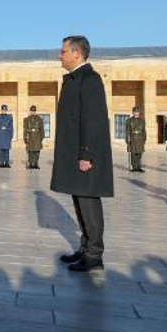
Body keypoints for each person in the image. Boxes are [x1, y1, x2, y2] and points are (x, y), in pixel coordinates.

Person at [51, 35, 113, 272]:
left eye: (63, 51)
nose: (60, 55)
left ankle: (95, 254)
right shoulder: (74, 79)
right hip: (74, 151)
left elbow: (94, 119)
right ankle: (85, 248)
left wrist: (87, 154)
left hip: (86, 153)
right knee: (79, 197)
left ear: (77, 53)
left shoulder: (90, 79)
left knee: (88, 200)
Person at [125, 106, 146, 172]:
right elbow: (127, 131)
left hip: (140, 138)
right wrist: (127, 140)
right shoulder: (129, 120)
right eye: (135, 112)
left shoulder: (142, 120)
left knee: (139, 153)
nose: (136, 113)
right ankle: (134, 167)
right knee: (133, 153)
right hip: (133, 138)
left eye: (137, 112)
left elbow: (143, 131)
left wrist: (144, 139)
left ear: (139, 113)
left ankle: (139, 166)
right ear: (133, 113)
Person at [23, 105, 44, 169]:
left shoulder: (39, 119)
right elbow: (25, 129)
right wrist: (25, 138)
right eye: (32, 111)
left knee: (37, 152)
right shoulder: (27, 119)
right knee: (30, 152)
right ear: (30, 111)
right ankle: (31, 164)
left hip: (37, 138)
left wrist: (41, 137)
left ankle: (36, 164)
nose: (33, 112)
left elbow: (42, 129)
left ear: (35, 111)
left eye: (34, 111)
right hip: (30, 138)